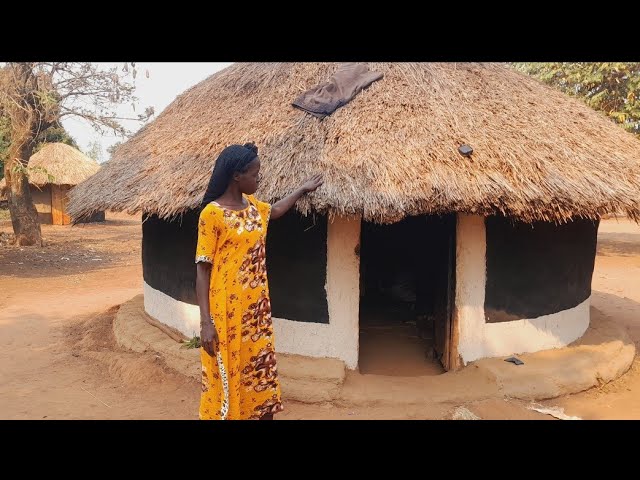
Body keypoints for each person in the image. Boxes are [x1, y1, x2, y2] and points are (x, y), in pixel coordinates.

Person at [195, 142, 322, 420]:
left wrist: (301, 189)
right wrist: (205, 322)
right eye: (255, 174)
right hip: (225, 311)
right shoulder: (212, 214)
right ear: (236, 176)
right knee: (228, 370)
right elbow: (202, 271)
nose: (259, 178)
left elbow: (274, 211)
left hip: (256, 310)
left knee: (258, 369)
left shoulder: (252, 207)